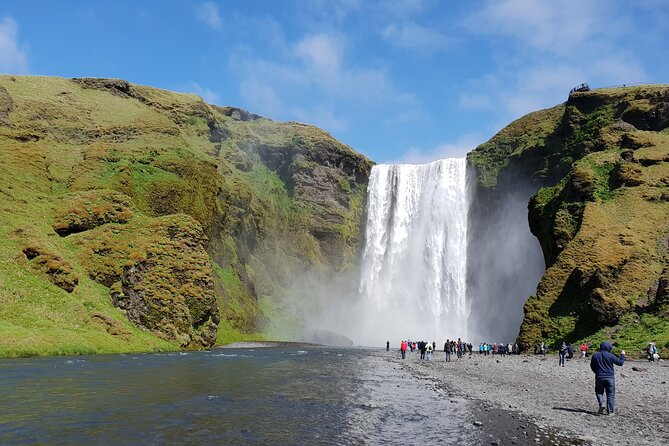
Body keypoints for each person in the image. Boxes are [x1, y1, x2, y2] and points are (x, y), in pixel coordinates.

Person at [590, 342, 625, 415]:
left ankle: (601, 403)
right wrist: (622, 355)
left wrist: (596, 372)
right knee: (610, 394)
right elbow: (620, 363)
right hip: (610, 377)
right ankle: (610, 412)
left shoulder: (595, 355)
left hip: (599, 376)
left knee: (599, 392)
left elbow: (592, 366)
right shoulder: (610, 355)